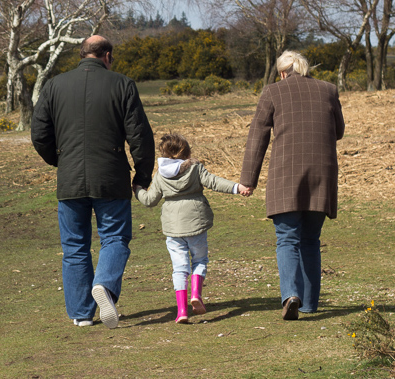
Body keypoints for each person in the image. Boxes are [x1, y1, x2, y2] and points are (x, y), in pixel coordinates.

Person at [31, 35, 154, 328]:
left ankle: (81, 313)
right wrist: (143, 174)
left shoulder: (54, 85)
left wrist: (60, 160)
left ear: (82, 54)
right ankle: (105, 285)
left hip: (70, 178)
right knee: (115, 237)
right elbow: (139, 135)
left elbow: (39, 134)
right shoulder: (122, 84)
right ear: (107, 56)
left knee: (74, 245)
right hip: (111, 176)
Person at [238, 50, 344, 320]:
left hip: (286, 175)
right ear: (304, 68)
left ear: (283, 72)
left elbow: (257, 138)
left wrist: (247, 181)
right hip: (322, 174)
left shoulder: (273, 92)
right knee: (311, 240)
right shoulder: (329, 90)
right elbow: (339, 131)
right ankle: (308, 303)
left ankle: (291, 295)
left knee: (287, 239)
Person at [135, 133, 242, 324]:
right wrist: (237, 187)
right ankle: (196, 294)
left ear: (164, 153)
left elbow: (150, 200)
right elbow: (214, 182)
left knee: (179, 268)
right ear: (187, 151)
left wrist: (137, 189)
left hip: (173, 229)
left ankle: (182, 310)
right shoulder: (195, 168)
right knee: (200, 260)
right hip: (196, 224)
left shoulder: (160, 175)